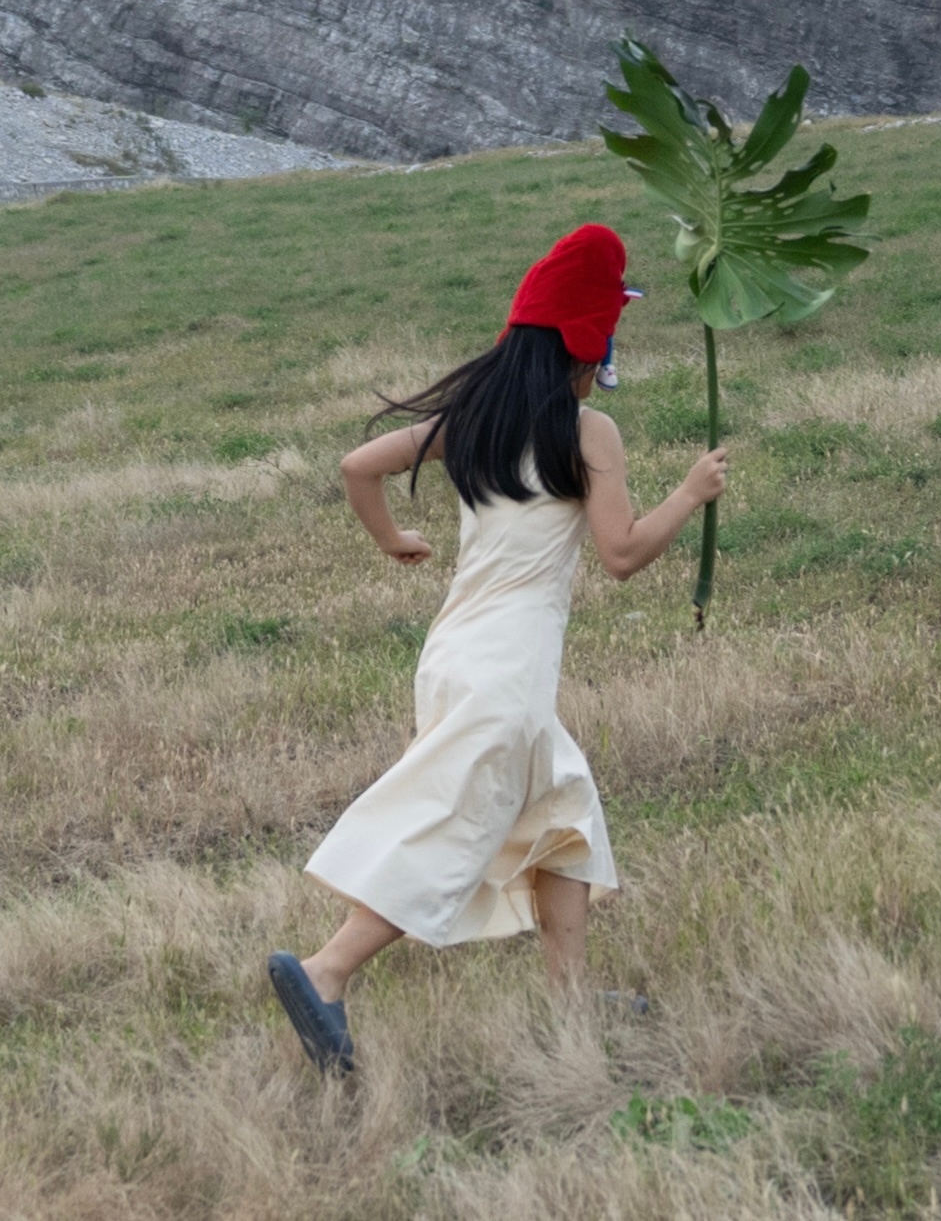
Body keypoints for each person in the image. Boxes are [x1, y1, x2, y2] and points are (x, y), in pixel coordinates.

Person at [264, 222, 728, 1078]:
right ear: (588, 341)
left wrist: (393, 537)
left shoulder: (471, 414)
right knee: (458, 823)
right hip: (505, 675)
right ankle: (326, 972)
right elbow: (622, 556)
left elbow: (356, 464)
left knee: (563, 812)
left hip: (454, 658)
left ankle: (568, 1002)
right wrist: (691, 494)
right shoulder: (590, 432)